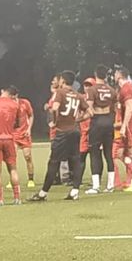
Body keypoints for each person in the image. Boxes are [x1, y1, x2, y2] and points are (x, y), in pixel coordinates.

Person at [29, 71, 92, 202]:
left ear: (63, 81)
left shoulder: (60, 92)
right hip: (75, 131)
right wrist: (78, 120)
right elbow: (90, 112)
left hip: (62, 131)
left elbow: (55, 107)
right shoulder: (78, 95)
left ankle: (43, 193)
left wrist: (53, 121)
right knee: (75, 161)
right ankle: (74, 191)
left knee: (54, 162)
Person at [85, 65, 119, 194]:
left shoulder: (91, 90)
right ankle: (110, 185)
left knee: (94, 153)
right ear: (105, 75)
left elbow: (89, 108)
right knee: (108, 153)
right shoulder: (112, 90)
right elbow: (116, 107)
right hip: (109, 121)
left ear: (95, 75)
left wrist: (86, 116)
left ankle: (96, 186)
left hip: (97, 122)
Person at [9, 88, 35, 189]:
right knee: (12, 158)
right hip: (13, 135)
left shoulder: (25, 103)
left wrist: (29, 129)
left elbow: (31, 115)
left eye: (14, 96)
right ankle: (12, 180)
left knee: (27, 156)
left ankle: (31, 179)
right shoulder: (8, 106)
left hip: (24, 134)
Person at [77, 77, 95, 186]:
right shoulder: (80, 98)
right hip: (83, 132)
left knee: (95, 157)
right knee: (81, 157)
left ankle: (95, 180)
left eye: (89, 85)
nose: (87, 88)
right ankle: (78, 180)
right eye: (85, 85)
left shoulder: (96, 99)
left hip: (93, 131)